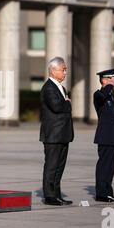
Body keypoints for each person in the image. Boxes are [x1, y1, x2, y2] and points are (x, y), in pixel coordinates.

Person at [39, 57, 74, 206]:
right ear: (53, 71)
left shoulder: (61, 87)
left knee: (60, 166)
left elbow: (63, 106)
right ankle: (49, 196)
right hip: (53, 134)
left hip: (63, 133)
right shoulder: (49, 87)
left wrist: (65, 103)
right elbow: (57, 107)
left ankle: (57, 194)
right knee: (52, 166)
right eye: (63, 69)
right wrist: (67, 104)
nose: (65, 72)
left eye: (65, 69)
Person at [93, 68, 114, 202]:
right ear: (104, 80)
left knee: (111, 167)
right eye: (112, 78)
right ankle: (101, 193)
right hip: (105, 136)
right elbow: (102, 96)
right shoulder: (98, 94)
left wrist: (110, 86)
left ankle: (108, 192)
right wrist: (108, 85)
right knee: (104, 165)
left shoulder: (111, 94)